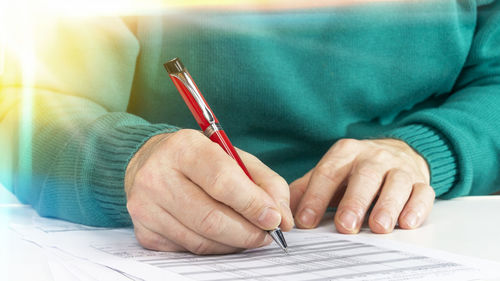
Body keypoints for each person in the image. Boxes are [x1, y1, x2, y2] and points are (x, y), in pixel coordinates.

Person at [1, 0, 499, 255]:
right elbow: (23, 109)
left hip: (429, 230)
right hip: (157, 241)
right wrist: (127, 162)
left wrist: (428, 149)